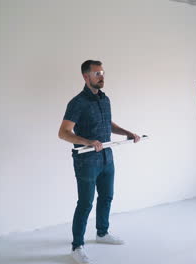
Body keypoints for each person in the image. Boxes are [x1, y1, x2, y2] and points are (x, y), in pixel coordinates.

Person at [58, 60, 140, 264]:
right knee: (85, 203)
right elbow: (64, 132)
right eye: (96, 73)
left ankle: (102, 233)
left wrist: (127, 133)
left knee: (107, 196)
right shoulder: (77, 102)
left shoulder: (105, 100)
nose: (101, 76)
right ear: (86, 77)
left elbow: (108, 123)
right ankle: (77, 247)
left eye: (102, 72)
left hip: (106, 157)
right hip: (87, 160)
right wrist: (88, 141)